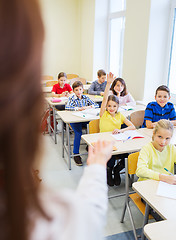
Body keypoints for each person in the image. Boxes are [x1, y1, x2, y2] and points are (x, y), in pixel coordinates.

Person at [0, 1, 114, 240]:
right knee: (78, 131)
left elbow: (94, 106)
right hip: (72, 119)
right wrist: (96, 166)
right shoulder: (51, 218)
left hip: (83, 117)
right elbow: (88, 215)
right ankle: (75, 153)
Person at [100, 73, 136, 186]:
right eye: (109, 106)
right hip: (105, 141)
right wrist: (108, 84)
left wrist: (121, 131)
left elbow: (132, 126)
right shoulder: (103, 114)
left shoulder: (120, 115)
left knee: (128, 153)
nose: (111, 108)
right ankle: (109, 171)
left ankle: (117, 170)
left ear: (118, 107)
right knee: (110, 153)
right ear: (106, 106)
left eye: (114, 106)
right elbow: (105, 98)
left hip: (117, 140)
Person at [65, 81, 99, 166]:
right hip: (75, 121)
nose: (78, 91)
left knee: (94, 128)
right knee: (78, 133)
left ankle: (90, 146)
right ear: (73, 91)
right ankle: (76, 154)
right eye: (76, 90)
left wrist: (89, 107)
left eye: (80, 89)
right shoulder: (72, 98)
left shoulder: (85, 97)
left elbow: (96, 105)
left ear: (83, 90)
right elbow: (67, 107)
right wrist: (78, 109)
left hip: (85, 119)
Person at [136, 119, 176, 184]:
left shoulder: (171, 148)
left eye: (167, 138)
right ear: (154, 134)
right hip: (147, 184)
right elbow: (140, 171)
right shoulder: (147, 149)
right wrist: (162, 177)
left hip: (166, 184)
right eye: (160, 137)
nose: (163, 142)